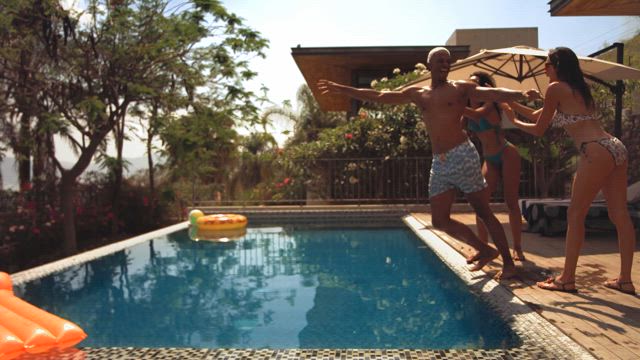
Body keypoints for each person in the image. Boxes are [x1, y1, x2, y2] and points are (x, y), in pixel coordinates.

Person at [318, 47, 538, 280]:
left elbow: (494, 93)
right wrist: (343, 89)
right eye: (440, 60)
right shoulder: (417, 93)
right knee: (439, 220)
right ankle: (484, 249)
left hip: (463, 155)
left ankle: (508, 263)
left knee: (483, 210)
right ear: (430, 64)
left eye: (448, 61)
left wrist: (521, 94)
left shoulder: (461, 88)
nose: (445, 64)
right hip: (440, 162)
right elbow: (381, 96)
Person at [507, 47, 636, 295]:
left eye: (546, 64)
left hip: (594, 150)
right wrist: (514, 104)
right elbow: (540, 113)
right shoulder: (579, 89)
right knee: (620, 215)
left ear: (557, 65)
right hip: (615, 146)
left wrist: (513, 121)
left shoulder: (555, 89)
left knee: (575, 215)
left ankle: (566, 279)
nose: (544, 69)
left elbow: (538, 128)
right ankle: (625, 280)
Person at [463, 71, 525, 262]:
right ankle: (482, 248)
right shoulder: (465, 108)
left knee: (511, 202)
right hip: (489, 158)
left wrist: (454, 105)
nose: (471, 88)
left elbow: (477, 114)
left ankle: (518, 248)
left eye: (475, 84)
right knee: (480, 204)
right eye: (469, 84)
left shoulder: (490, 103)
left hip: (506, 153)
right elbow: (457, 129)